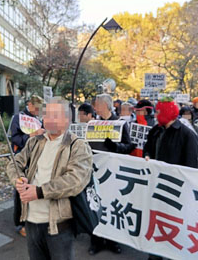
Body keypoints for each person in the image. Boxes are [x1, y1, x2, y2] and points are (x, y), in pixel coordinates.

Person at [7, 98, 93, 260]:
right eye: (46, 115)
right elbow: (14, 163)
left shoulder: (78, 146)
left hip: (58, 225)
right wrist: (18, 179)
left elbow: (75, 180)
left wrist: (39, 192)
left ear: (67, 120)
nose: (48, 119)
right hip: (31, 221)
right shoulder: (34, 141)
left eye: (55, 115)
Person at [89, 93, 131, 255]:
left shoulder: (120, 124)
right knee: (95, 205)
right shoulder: (93, 123)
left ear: (106, 105)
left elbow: (128, 146)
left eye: (97, 104)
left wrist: (115, 147)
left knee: (113, 206)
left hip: (113, 173)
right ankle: (96, 241)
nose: (95, 107)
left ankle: (113, 241)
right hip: (95, 172)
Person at [9, 95, 45, 237]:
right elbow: (15, 138)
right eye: (36, 108)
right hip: (22, 159)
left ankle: (31, 220)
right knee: (20, 190)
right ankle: (20, 224)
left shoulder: (39, 119)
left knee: (33, 189)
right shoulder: (19, 118)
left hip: (37, 158)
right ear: (29, 104)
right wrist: (31, 136)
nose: (37, 111)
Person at [143, 98, 198, 168]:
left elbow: (191, 164)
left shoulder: (187, 135)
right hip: (154, 173)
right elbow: (148, 148)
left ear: (166, 113)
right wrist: (147, 155)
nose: (155, 115)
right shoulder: (155, 130)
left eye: (157, 112)